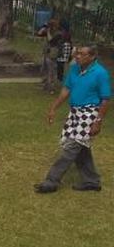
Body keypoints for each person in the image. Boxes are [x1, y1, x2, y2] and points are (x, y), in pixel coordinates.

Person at [35, 46, 109, 193]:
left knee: (71, 147)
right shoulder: (75, 69)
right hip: (75, 113)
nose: (77, 56)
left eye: (82, 54)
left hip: (89, 114)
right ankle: (92, 181)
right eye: (77, 53)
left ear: (92, 57)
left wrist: (98, 121)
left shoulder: (100, 73)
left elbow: (105, 99)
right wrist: (53, 108)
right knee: (81, 148)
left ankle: (51, 181)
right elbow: (66, 89)